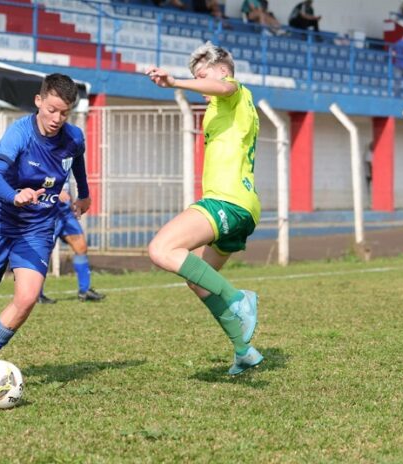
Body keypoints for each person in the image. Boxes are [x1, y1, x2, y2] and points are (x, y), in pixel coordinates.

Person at [0, 73, 91, 383]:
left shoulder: (74, 137)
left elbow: (77, 160)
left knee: (27, 298)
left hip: (38, 226)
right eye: (52, 109)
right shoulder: (19, 134)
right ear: (38, 101)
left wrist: (85, 194)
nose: (57, 118)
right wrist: (15, 195)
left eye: (64, 113)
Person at [145, 42, 263, 375]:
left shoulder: (235, 92)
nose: (200, 85)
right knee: (198, 280)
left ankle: (240, 300)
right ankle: (244, 351)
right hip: (243, 208)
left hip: (227, 201)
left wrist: (176, 83)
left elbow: (223, 85)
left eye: (202, 77)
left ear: (223, 71)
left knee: (161, 249)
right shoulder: (219, 109)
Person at [38, 182, 106, 304]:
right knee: (43, 251)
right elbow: (36, 179)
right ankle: (36, 294)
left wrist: (74, 203)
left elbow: (66, 184)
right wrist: (55, 191)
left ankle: (84, 291)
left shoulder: (69, 162)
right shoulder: (44, 162)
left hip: (65, 213)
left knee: (81, 247)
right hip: (48, 211)